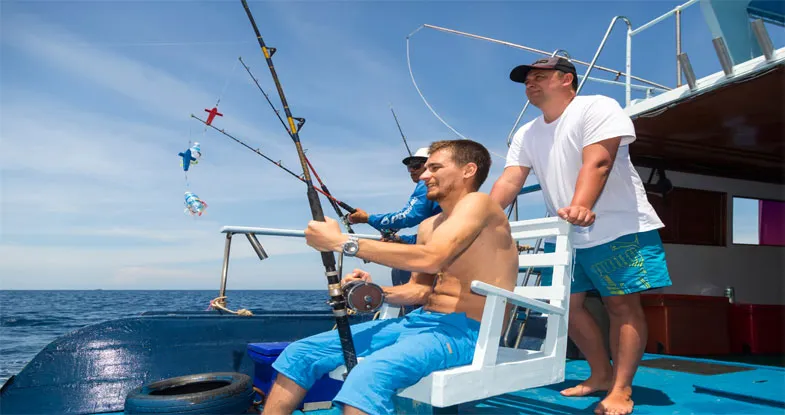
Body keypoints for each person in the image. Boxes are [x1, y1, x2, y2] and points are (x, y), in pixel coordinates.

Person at [263, 140, 518, 415]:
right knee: (300, 354)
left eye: (435, 168)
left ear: (468, 170)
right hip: (419, 322)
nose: (424, 175)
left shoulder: (480, 203)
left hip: (467, 332)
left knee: (367, 376)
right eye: (425, 168)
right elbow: (419, 291)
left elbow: (432, 257)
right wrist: (371, 291)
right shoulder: (429, 225)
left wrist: (342, 242)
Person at [489, 57, 672, 415]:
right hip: (565, 234)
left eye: (538, 76)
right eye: (526, 80)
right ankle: (601, 374)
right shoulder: (526, 133)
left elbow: (599, 162)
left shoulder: (597, 106)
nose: (530, 84)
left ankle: (621, 388)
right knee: (565, 308)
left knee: (621, 306)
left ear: (566, 79)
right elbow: (511, 179)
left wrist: (581, 205)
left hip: (618, 227)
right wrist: (482, 219)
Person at [348, 147, 442, 287]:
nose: (411, 170)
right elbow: (433, 234)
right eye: (409, 167)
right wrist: (401, 240)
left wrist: (367, 218)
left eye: (416, 165)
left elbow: (408, 216)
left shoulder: (426, 185)